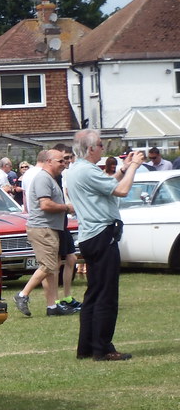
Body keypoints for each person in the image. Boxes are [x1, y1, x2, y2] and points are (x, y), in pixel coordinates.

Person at [69, 129, 145, 361]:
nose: (104, 149)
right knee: (106, 295)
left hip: (90, 235)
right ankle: (102, 348)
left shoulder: (78, 170)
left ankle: (87, 347)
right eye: (101, 145)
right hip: (102, 234)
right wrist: (133, 167)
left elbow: (106, 185)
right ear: (91, 148)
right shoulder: (87, 171)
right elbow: (121, 190)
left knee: (94, 293)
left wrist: (123, 168)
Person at [13, 149, 77, 317]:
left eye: (64, 161)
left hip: (49, 228)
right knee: (48, 266)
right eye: (60, 161)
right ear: (49, 161)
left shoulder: (50, 178)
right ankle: (22, 295)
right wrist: (67, 208)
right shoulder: (42, 178)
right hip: (42, 228)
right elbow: (45, 205)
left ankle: (52, 306)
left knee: (52, 268)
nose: (64, 164)